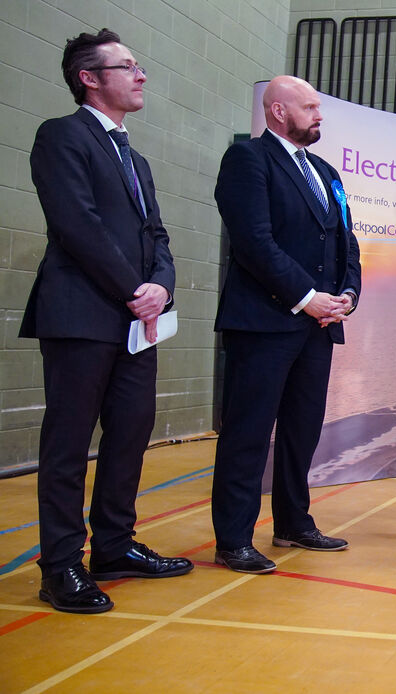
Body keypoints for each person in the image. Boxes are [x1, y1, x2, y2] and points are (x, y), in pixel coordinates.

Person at [21, 29, 191, 614]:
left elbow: (157, 235)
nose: (141, 75)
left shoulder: (135, 159)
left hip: (136, 322)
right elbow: (77, 225)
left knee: (130, 434)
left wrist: (161, 286)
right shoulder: (62, 136)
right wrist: (134, 291)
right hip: (82, 315)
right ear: (89, 79)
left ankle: (114, 546)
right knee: (69, 444)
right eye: (127, 66)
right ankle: (61, 564)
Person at [211, 75, 362, 573]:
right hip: (264, 323)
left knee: (302, 431)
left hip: (318, 326)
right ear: (278, 111)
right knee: (248, 433)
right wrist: (307, 297)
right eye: (310, 107)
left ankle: (294, 522)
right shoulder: (248, 159)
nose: (320, 115)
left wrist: (347, 294)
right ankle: (234, 539)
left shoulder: (325, 171)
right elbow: (254, 242)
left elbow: (345, 241)